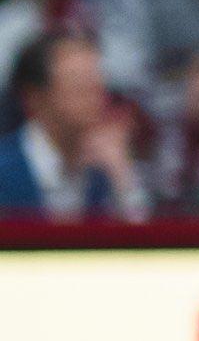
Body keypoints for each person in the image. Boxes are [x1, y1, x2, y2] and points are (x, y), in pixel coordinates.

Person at [0, 31, 143, 217]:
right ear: (34, 98)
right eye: (80, 87)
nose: (97, 99)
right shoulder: (4, 172)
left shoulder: (105, 169)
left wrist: (123, 179)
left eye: (98, 86)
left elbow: (142, 238)